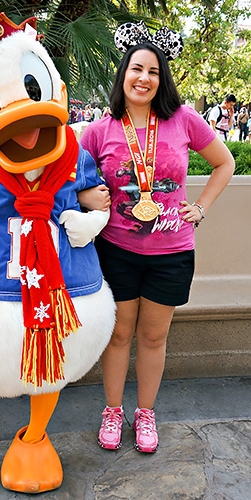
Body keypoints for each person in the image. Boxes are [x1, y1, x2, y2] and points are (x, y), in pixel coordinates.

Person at [79, 21, 235, 454]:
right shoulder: (100, 128)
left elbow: (224, 164)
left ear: (161, 79)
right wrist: (86, 194)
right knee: (118, 335)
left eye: (153, 71)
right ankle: (113, 410)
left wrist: (199, 207)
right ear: (123, 75)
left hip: (172, 252)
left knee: (153, 338)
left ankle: (144, 413)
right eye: (136, 69)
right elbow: (74, 178)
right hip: (116, 250)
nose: (144, 78)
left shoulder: (184, 119)